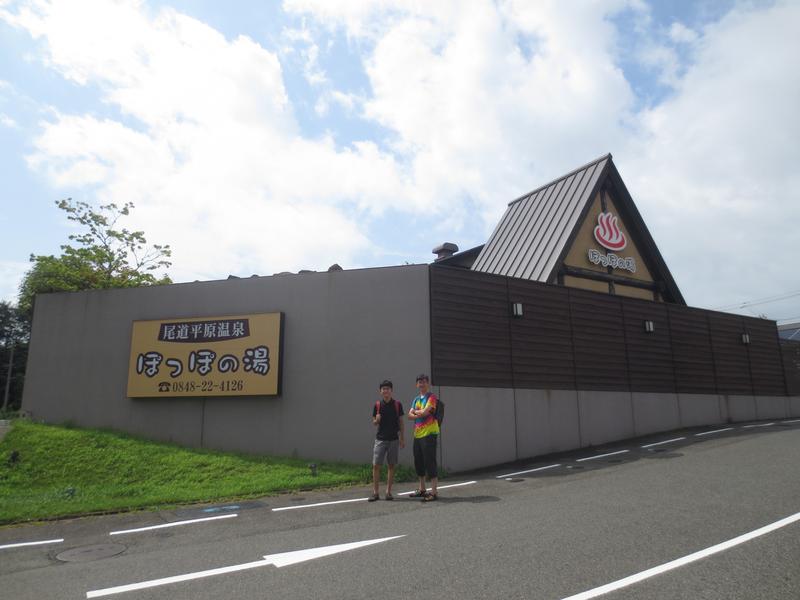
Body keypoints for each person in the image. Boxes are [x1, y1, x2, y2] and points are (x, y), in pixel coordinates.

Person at [369, 380, 405, 501]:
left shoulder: (397, 405)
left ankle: (388, 492)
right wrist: (377, 420)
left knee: (391, 466)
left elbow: (401, 422)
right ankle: (375, 493)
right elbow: (374, 422)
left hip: (394, 440)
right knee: (376, 466)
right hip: (380, 439)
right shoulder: (377, 405)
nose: (386, 391)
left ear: (391, 391)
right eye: (383, 389)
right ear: (380, 391)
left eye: (388, 389)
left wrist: (402, 438)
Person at [408, 373, 440, 502]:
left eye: (424, 381)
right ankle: (422, 489)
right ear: (417, 384)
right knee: (419, 462)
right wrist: (418, 413)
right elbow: (409, 416)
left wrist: (416, 412)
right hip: (418, 434)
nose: (422, 384)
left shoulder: (432, 397)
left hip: (429, 434)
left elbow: (426, 412)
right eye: (419, 382)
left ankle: (434, 491)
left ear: (428, 383)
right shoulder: (416, 399)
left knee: (430, 461)